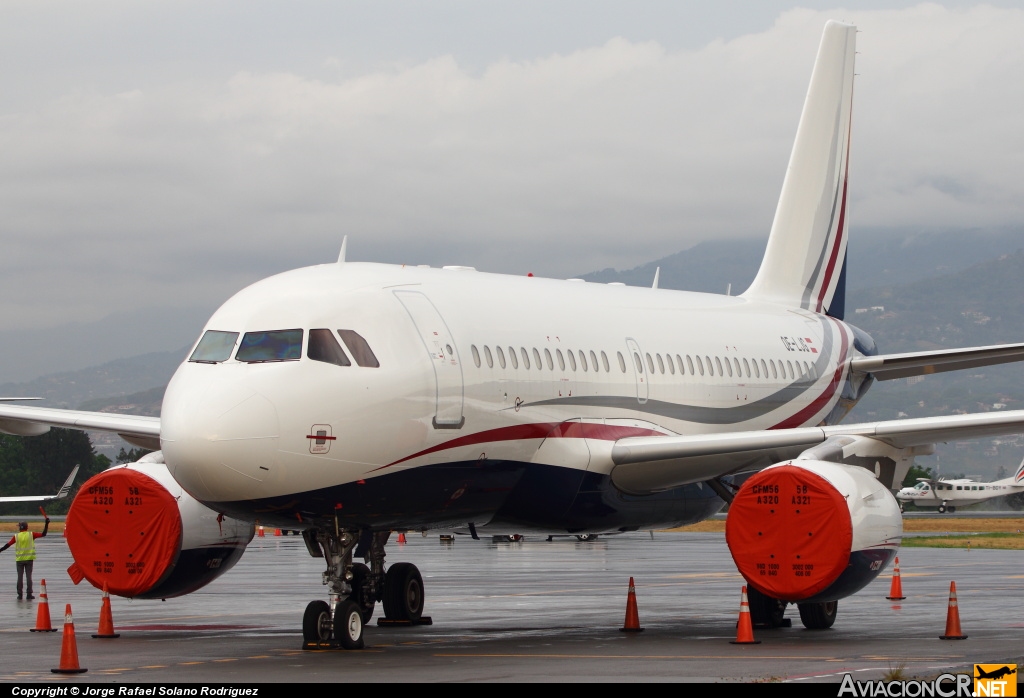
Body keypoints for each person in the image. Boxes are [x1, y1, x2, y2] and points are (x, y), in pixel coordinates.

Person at [0, 518, 49, 600]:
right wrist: (46, 524)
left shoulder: (16, 536)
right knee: (29, 577)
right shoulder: (31, 534)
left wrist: (0, 550)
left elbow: (7, 545)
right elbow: (43, 534)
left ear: (20, 528)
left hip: (19, 560)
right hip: (29, 559)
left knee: (20, 577)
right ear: (26, 527)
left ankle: (20, 595)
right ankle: (29, 594)